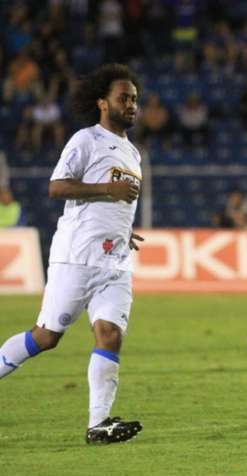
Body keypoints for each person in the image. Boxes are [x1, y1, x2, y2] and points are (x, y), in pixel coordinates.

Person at [0, 64, 144, 444]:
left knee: (110, 334)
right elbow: (57, 187)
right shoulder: (86, 140)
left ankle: (98, 425)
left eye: (134, 99)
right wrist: (106, 190)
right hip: (76, 258)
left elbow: (116, 202)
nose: (131, 104)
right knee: (46, 337)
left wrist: (124, 231)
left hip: (114, 263)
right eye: (123, 98)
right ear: (102, 103)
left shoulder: (132, 152)